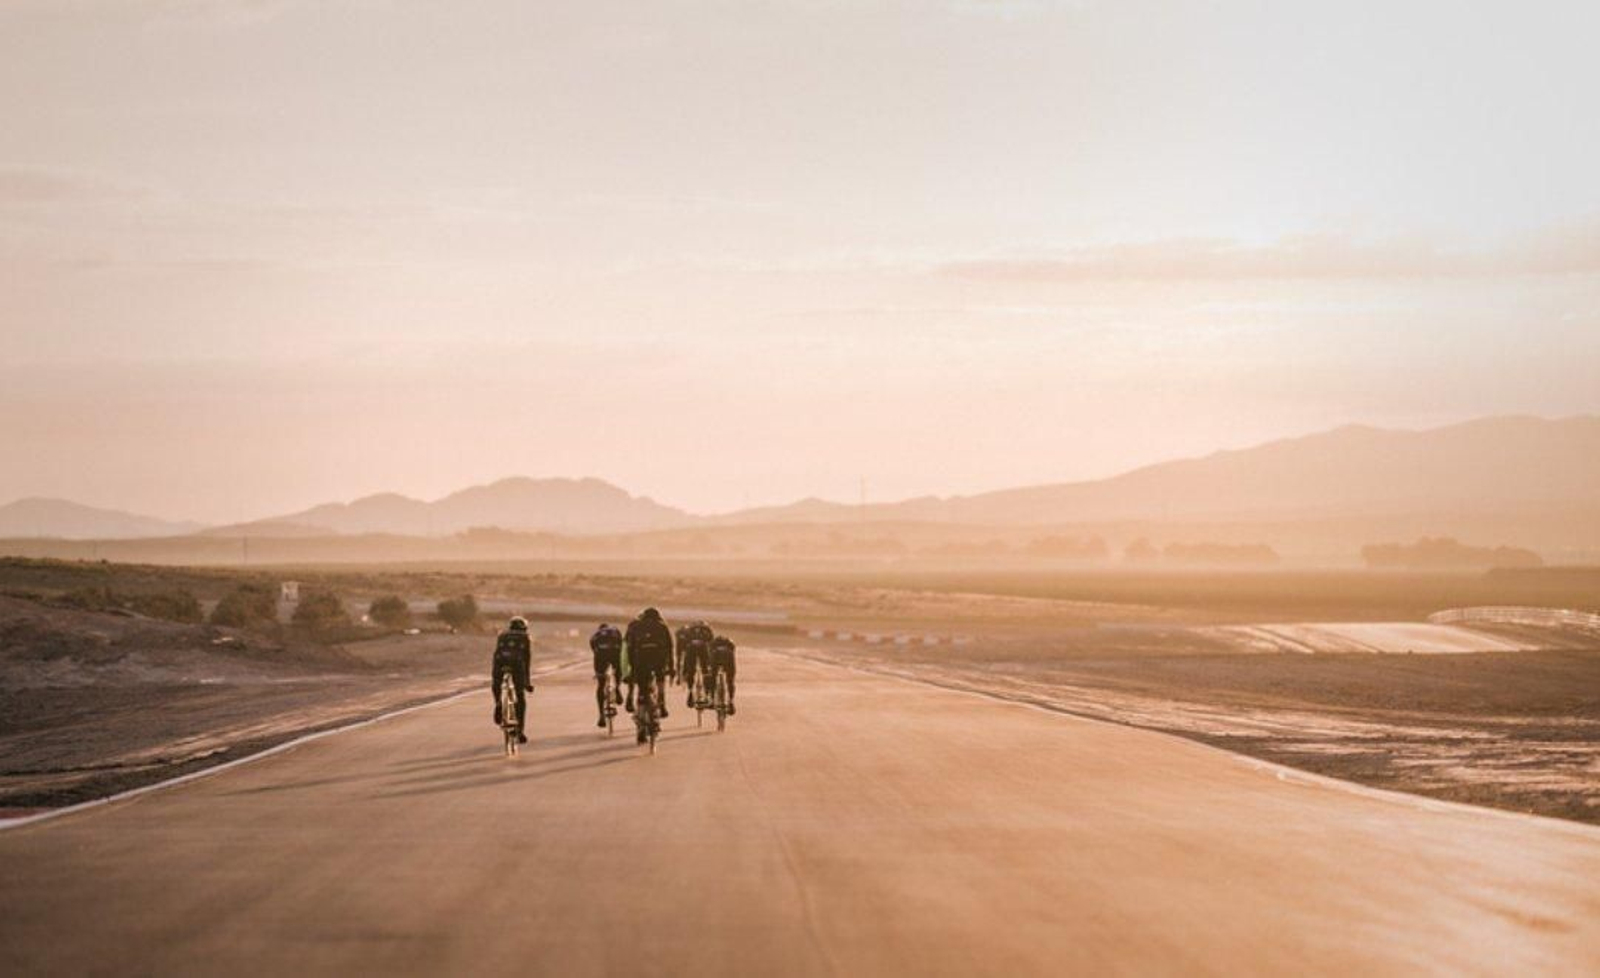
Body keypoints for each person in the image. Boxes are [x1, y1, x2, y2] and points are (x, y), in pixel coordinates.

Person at [624, 606, 673, 742]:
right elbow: (670, 648)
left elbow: (630, 648)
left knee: (642, 690)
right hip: (658, 660)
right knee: (660, 678)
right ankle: (662, 702)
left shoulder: (636, 626)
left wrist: (632, 668)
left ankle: (640, 719)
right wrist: (672, 668)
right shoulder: (662, 626)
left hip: (640, 661)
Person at [491, 616, 534, 744]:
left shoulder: (502, 635)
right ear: (524, 627)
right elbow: (526, 660)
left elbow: (496, 653)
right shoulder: (525, 637)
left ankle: (498, 703)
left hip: (499, 662)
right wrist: (527, 682)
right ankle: (520, 730)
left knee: (496, 683)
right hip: (517, 665)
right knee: (520, 697)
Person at [590, 622, 624, 728]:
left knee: (601, 684)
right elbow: (622, 645)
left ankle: (601, 715)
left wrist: (599, 672)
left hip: (601, 655)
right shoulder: (615, 631)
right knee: (618, 671)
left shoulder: (596, 634)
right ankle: (618, 688)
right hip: (615, 652)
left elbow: (593, 648)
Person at [680, 619, 714, 707]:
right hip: (703, 649)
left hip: (691, 649)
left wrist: (684, 671)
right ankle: (707, 693)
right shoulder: (706, 628)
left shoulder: (690, 629)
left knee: (690, 670)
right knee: (706, 670)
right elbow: (711, 641)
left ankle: (690, 691)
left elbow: (684, 643)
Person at [708, 633, 737, 715]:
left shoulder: (713, 644)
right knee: (730, 681)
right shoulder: (730, 644)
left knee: (712, 677)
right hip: (728, 658)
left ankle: (712, 699)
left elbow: (709, 658)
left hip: (715, 657)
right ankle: (731, 701)